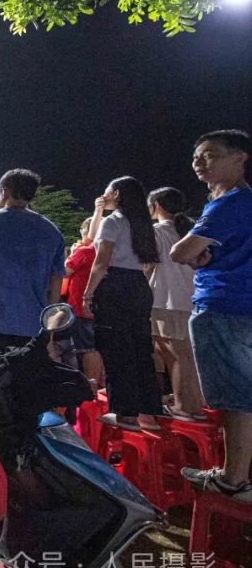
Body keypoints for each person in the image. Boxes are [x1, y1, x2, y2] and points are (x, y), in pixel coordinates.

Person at [172, 129, 252, 501]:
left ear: (240, 158)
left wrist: (195, 255)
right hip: (241, 305)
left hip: (223, 306)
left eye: (210, 155)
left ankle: (232, 479)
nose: (199, 163)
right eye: (196, 157)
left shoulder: (230, 204)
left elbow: (180, 252)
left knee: (233, 399)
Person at [81, 176, 162, 431]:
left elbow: (101, 261)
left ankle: (125, 415)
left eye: (107, 191)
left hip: (115, 285)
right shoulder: (143, 224)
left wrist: (88, 294)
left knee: (117, 350)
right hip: (139, 285)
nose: (103, 195)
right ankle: (148, 412)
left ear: (116, 193)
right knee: (141, 350)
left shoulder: (114, 221)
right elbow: (149, 263)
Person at [0, 170, 66, 355]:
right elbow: (56, 280)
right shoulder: (52, 230)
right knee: (26, 371)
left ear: (4, 191)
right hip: (33, 324)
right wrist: (49, 324)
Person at [147, 186, 204, 421]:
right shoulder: (190, 230)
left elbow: (147, 265)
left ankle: (185, 406)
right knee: (187, 355)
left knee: (174, 355)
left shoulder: (156, 232)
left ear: (157, 205)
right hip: (191, 299)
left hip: (166, 300)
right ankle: (195, 403)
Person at [63, 216, 104, 385]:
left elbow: (64, 271)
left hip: (81, 307)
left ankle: (90, 388)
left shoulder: (85, 251)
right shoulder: (108, 251)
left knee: (88, 349)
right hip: (100, 307)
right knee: (99, 349)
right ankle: (101, 386)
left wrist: (73, 253)